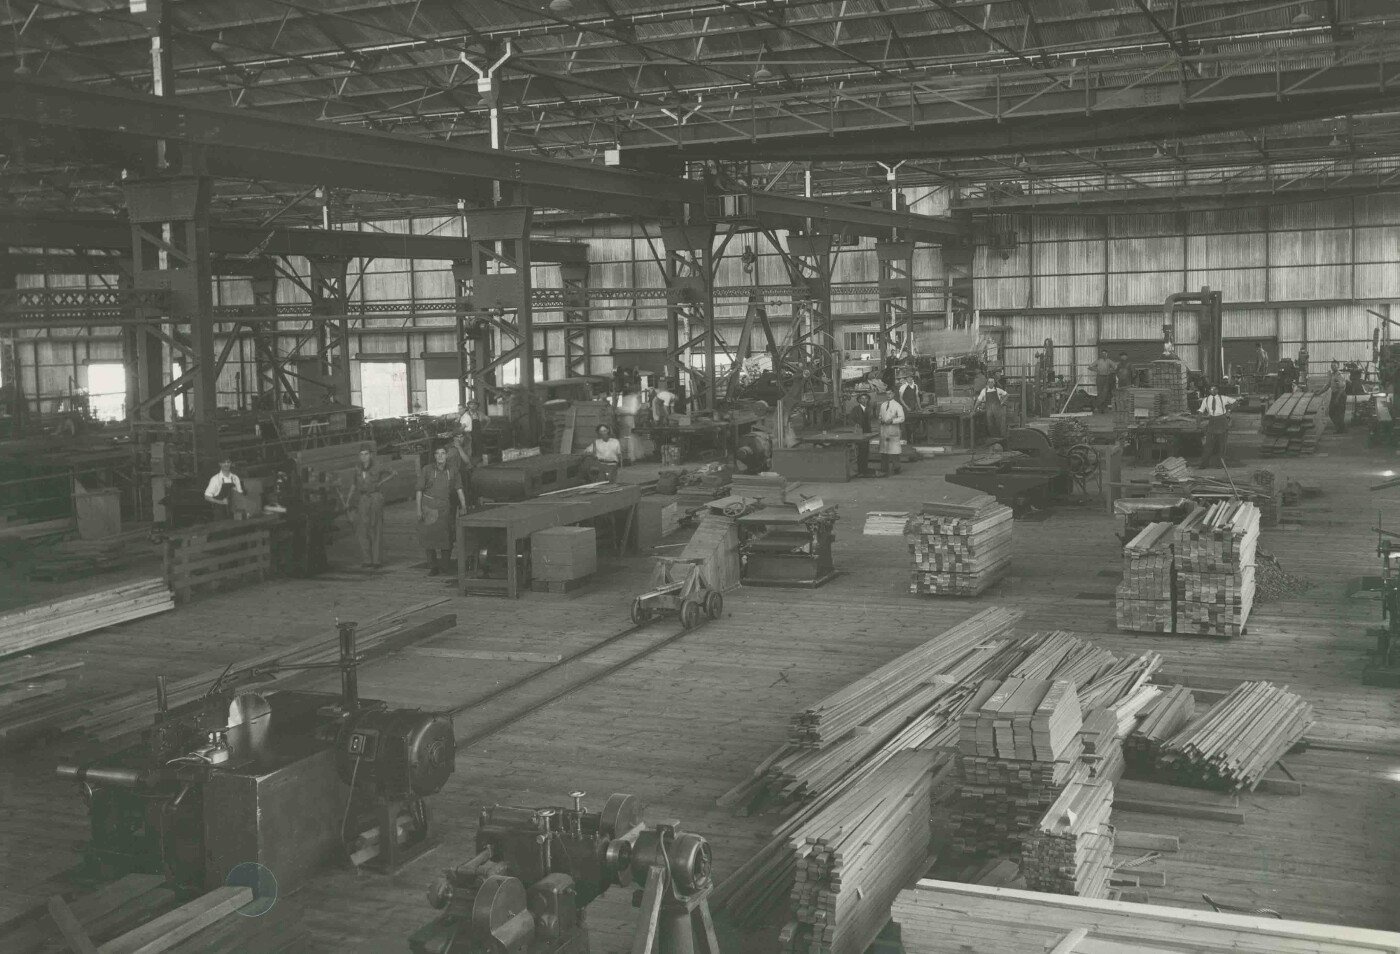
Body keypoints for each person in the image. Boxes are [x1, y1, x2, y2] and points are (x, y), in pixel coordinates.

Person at [417, 446, 466, 577]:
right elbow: (419, 491)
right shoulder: (427, 470)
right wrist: (418, 510)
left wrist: (464, 505)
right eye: (437, 453)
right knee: (429, 537)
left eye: (443, 453)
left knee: (447, 538)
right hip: (429, 506)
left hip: (445, 507)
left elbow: (459, 488)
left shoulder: (453, 470)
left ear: (446, 456)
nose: (440, 456)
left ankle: (445, 566)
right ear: (434, 456)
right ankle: (433, 566)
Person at [347, 444, 392, 568]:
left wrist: (381, 482)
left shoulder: (378, 466)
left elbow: (394, 472)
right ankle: (367, 560)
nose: (364, 457)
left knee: (375, 527)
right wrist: (348, 499)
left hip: (375, 497)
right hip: (363, 498)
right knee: (363, 529)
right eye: (361, 454)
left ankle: (377, 560)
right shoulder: (357, 468)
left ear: (370, 455)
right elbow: (354, 484)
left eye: (366, 454)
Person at [1196, 385, 1232, 469]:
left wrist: (1229, 411)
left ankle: (1218, 464)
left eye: (1215, 389)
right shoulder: (1206, 400)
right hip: (1214, 425)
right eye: (1212, 389)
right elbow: (1200, 412)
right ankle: (1205, 464)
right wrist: (1198, 424)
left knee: (1220, 447)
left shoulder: (1223, 399)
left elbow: (1235, 402)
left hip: (1221, 425)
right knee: (1210, 446)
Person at [203, 456, 244, 522]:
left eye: (228, 462)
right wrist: (221, 502)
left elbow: (240, 494)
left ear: (230, 463)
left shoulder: (235, 478)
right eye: (223, 462)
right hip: (220, 512)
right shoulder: (215, 479)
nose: (226, 464)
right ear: (220, 464)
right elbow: (207, 497)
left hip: (233, 510)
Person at [877, 391, 905, 477]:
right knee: (884, 451)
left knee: (894, 451)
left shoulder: (897, 405)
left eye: (890, 394)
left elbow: (902, 418)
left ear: (893, 394)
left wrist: (892, 421)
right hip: (884, 430)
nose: (888, 395)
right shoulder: (883, 405)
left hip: (893, 430)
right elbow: (880, 415)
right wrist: (880, 420)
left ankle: (896, 468)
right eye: (887, 394)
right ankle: (884, 469)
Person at [975, 374, 1009, 441]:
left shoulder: (998, 390)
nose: (990, 383)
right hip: (989, 410)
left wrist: (1002, 402)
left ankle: (1001, 439)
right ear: (987, 383)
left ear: (994, 383)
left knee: (999, 424)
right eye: (989, 382)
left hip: (997, 409)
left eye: (992, 382)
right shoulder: (984, 391)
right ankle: (994, 438)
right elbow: (979, 400)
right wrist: (974, 408)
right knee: (990, 424)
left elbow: (1007, 395)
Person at [849, 392, 876, 477]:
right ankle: (861, 470)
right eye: (862, 398)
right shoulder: (855, 409)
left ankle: (865, 469)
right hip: (859, 433)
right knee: (860, 452)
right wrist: (855, 424)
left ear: (868, 400)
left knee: (866, 451)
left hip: (867, 432)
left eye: (866, 398)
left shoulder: (869, 409)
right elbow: (850, 420)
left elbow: (871, 419)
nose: (864, 400)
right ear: (859, 400)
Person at [1328, 361, 1348, 433]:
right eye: (1332, 365)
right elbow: (1328, 385)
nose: (1333, 367)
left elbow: (1341, 388)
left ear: (1338, 366)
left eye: (1334, 365)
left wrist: (1337, 398)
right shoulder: (1332, 375)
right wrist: (1319, 392)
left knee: (1340, 413)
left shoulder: (1340, 376)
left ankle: (1340, 429)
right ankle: (1341, 427)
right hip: (1334, 394)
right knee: (1331, 412)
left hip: (1340, 395)